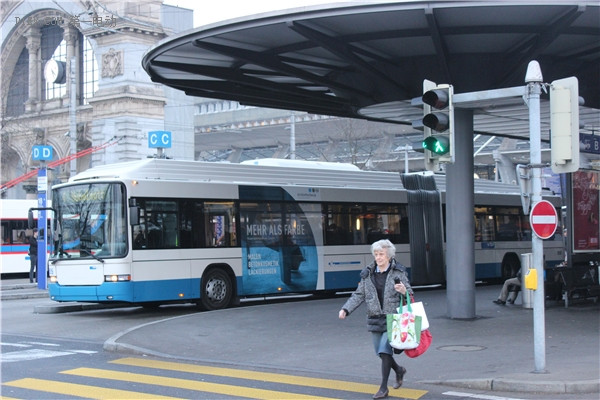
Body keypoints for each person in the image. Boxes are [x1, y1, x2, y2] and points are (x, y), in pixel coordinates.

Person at [338, 239, 412, 399]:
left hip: (392, 318)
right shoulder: (367, 274)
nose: (378, 257)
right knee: (380, 352)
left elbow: (410, 294)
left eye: (381, 254)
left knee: (385, 351)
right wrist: (346, 309)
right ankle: (399, 370)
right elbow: (359, 295)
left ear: (389, 256)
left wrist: (404, 290)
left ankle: (383, 388)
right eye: (376, 254)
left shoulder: (398, 272)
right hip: (374, 318)